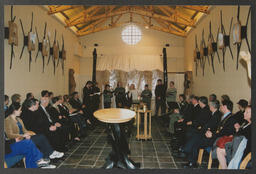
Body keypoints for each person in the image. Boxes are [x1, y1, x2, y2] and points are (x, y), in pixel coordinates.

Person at [184, 100, 236, 168]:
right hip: (215, 136)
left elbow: (226, 133)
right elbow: (218, 129)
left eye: (221, 106)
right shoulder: (225, 116)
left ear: (225, 107)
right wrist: (210, 132)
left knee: (197, 140)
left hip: (218, 140)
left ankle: (190, 158)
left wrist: (212, 134)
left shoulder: (231, 119)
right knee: (196, 137)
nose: (220, 107)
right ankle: (190, 159)